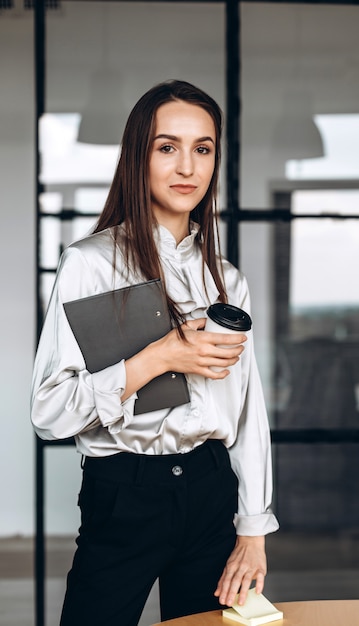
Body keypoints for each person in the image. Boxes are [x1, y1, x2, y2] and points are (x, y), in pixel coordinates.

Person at [31, 79, 279, 626]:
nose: (187, 166)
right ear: (137, 157)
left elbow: (246, 413)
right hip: (124, 493)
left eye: (203, 148)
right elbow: (48, 415)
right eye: (167, 147)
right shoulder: (89, 264)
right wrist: (162, 355)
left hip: (211, 491)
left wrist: (253, 530)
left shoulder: (227, 281)